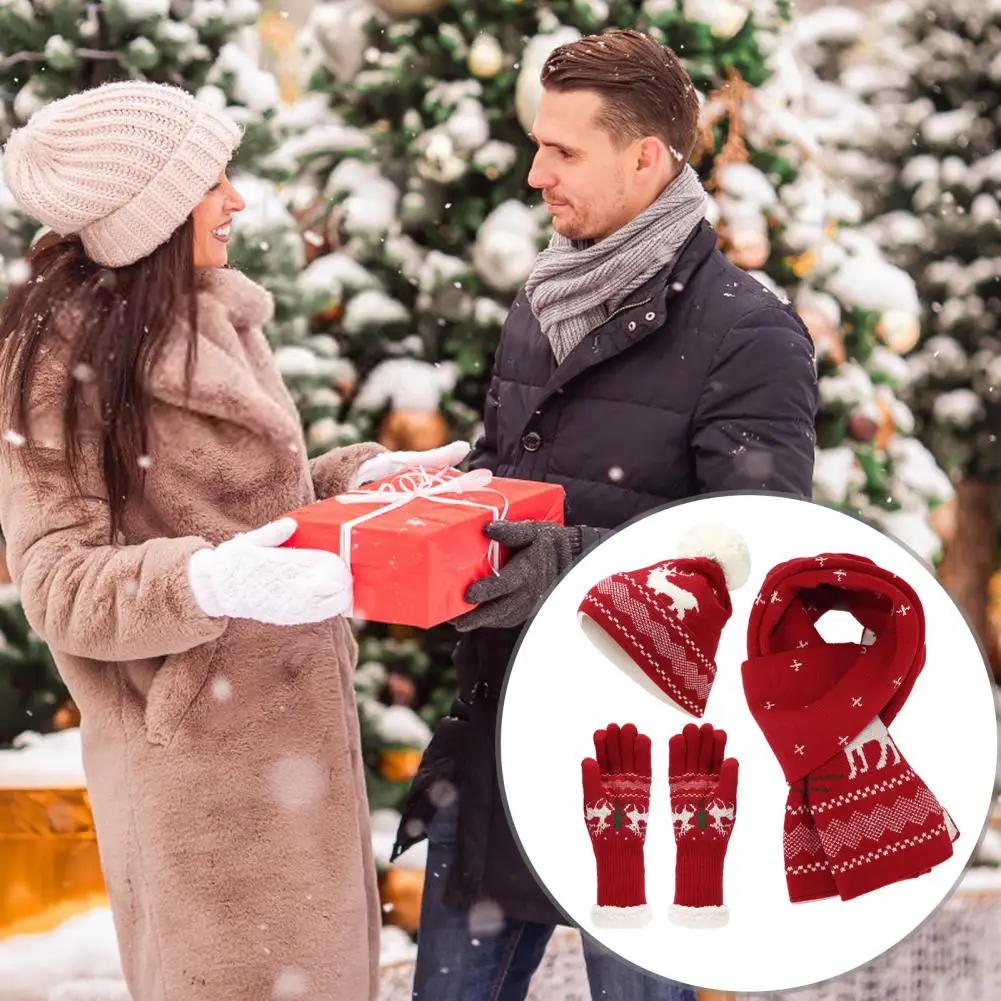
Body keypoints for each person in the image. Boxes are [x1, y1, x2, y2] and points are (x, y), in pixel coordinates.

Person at [0, 80, 468, 1001]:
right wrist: (210, 584)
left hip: (298, 772)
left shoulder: (209, 313)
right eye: (215, 180)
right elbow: (56, 583)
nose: (238, 199)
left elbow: (248, 506)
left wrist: (354, 483)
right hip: (199, 792)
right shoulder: (53, 364)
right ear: (155, 212)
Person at [394, 29, 819, 1001]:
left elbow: (756, 560)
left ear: (646, 157)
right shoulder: (544, 299)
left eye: (562, 151)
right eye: (536, 143)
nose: (535, 172)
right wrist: (436, 508)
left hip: (648, 774)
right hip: (499, 740)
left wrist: (570, 569)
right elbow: (515, 471)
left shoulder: (746, 333)